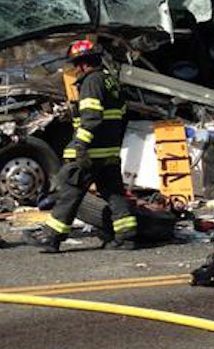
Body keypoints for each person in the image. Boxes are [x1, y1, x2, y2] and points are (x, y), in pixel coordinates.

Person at [24, 37, 137, 253]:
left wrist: (79, 146)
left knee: (70, 190)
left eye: (77, 64)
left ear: (85, 63)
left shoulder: (92, 81)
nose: (76, 69)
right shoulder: (110, 81)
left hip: (91, 152)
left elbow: (92, 118)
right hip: (109, 151)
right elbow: (121, 116)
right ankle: (126, 237)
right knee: (114, 194)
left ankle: (52, 236)